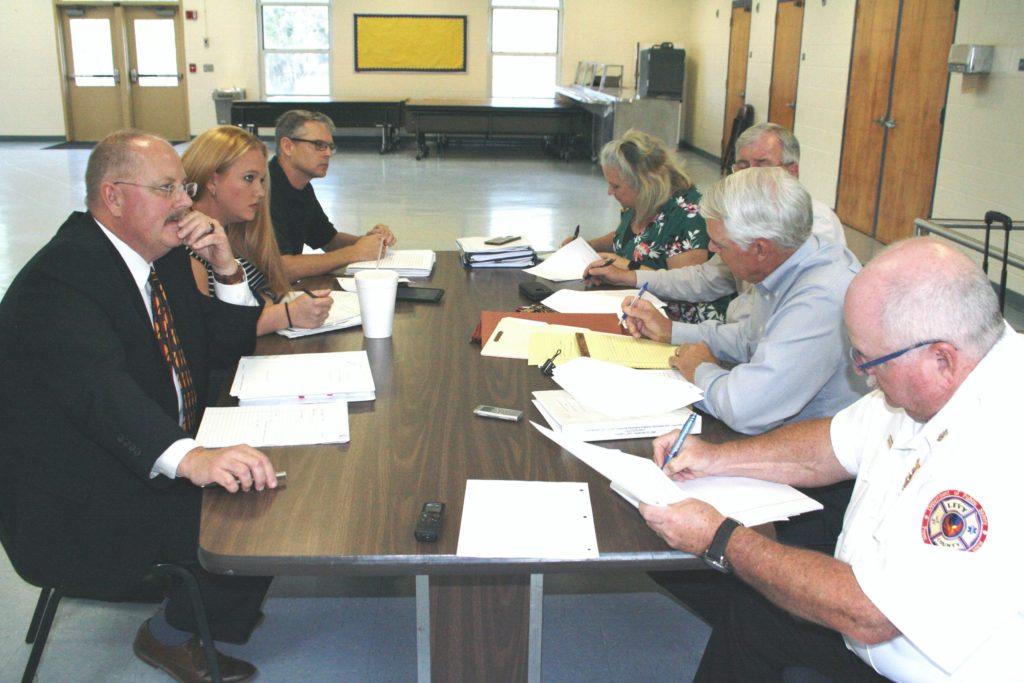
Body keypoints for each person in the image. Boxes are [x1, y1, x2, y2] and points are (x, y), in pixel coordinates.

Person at [642, 237, 1021, 681]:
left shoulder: (999, 446)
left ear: (942, 358)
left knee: (748, 578)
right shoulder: (933, 376)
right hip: (867, 620)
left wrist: (721, 538)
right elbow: (834, 443)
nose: (863, 375)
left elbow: (870, 614)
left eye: (870, 361)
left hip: (923, 661)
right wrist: (716, 458)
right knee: (755, 613)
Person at [0, 131, 278, 682]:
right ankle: (170, 635)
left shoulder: (161, 256)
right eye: (166, 188)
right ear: (114, 196)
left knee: (273, 474)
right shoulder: (62, 278)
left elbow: (222, 344)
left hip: (136, 449)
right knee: (256, 520)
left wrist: (225, 266)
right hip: (79, 494)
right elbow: (98, 390)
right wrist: (195, 460)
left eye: (185, 186)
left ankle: (200, 602)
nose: (184, 201)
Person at [622, 166, 865, 435]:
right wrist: (672, 331)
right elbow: (750, 339)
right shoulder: (788, 260)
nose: (711, 249)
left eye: (720, 244)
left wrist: (700, 369)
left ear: (760, 248)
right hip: (780, 431)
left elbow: (745, 409)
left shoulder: (819, 299)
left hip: (807, 453)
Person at [587, 122, 846, 324]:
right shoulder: (746, 217)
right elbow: (706, 278)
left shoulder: (814, 224)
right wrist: (630, 277)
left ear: (791, 171)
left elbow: (769, 332)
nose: (749, 175)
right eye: (742, 165)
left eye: (762, 165)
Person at [563, 129, 728, 322]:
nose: (609, 191)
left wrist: (628, 268)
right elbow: (626, 236)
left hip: (676, 321)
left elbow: (685, 288)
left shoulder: (687, 215)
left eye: (616, 186)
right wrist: (586, 246)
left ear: (644, 183)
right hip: (633, 305)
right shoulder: (637, 203)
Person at [182, 125, 333, 335]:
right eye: (248, 178)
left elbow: (270, 288)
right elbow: (208, 331)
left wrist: (267, 302)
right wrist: (285, 314)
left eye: (262, 180)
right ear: (211, 181)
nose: (260, 192)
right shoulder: (189, 247)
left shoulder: (237, 228)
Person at [269, 109, 397, 280]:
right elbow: (283, 268)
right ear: (287, 146)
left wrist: (371, 241)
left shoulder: (302, 187)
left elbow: (329, 241)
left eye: (330, 147)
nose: (327, 153)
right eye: (318, 145)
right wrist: (354, 253)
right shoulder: (264, 190)